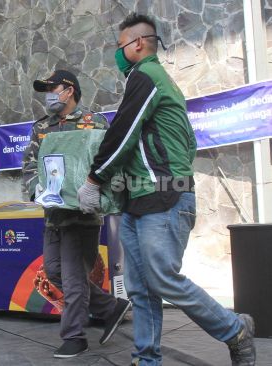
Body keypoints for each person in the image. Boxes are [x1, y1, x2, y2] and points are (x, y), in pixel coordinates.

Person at [77, 13, 255, 366]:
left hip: (163, 197)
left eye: (119, 45)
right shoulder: (153, 82)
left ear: (138, 43)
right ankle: (146, 359)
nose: (117, 53)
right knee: (141, 289)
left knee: (162, 279)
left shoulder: (147, 76)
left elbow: (123, 132)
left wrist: (94, 179)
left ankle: (234, 328)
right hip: (140, 200)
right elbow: (178, 145)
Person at [22, 69, 131, 359]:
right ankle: (111, 307)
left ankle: (74, 336)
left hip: (82, 216)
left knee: (72, 280)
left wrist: (96, 193)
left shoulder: (93, 122)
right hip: (53, 216)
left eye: (52, 88)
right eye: (45, 89)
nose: (48, 94)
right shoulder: (41, 128)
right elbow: (29, 166)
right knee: (55, 273)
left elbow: (105, 163)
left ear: (69, 90)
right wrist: (37, 191)